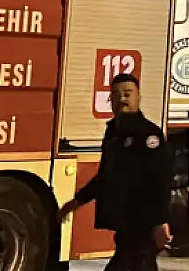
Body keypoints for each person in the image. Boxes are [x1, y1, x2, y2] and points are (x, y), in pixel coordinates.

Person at [58, 73, 173, 271]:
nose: (122, 99)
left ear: (138, 97)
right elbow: (106, 177)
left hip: (141, 222)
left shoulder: (148, 135)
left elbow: (159, 181)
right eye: (116, 95)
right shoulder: (113, 132)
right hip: (124, 222)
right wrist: (76, 202)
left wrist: (160, 222)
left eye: (128, 94)